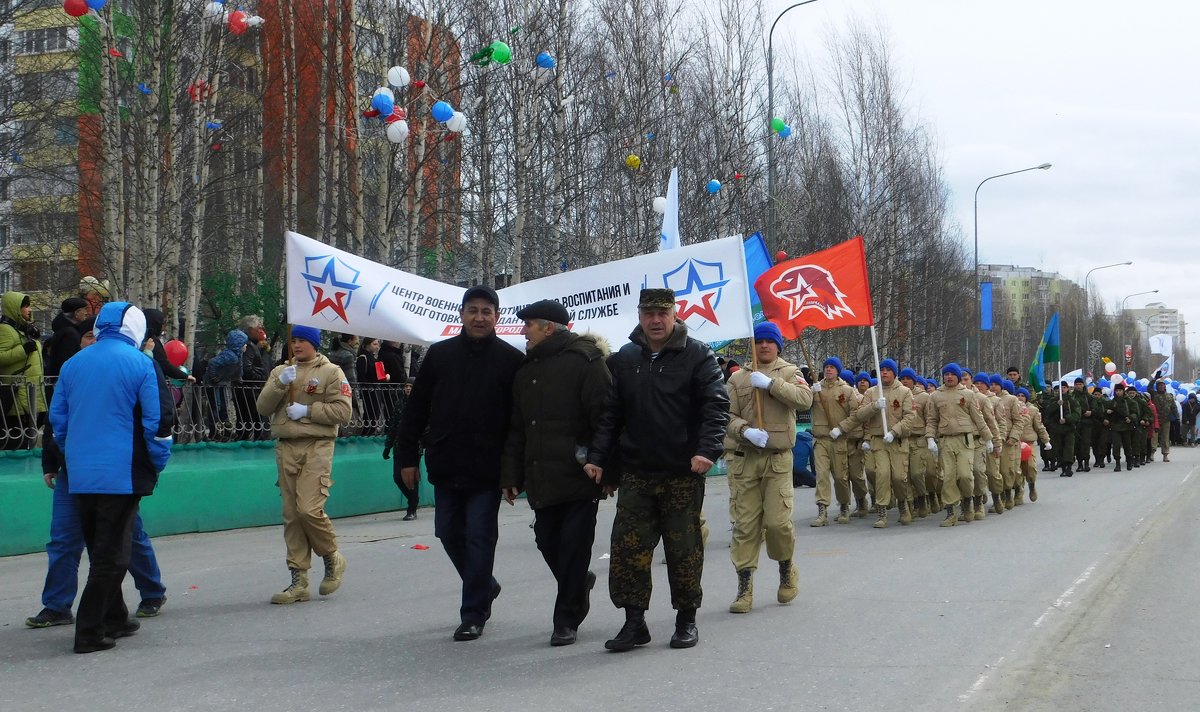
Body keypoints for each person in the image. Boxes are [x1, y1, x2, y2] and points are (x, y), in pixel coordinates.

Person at [587, 288, 729, 652]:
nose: (655, 320)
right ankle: (634, 622)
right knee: (627, 548)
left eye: (662, 313)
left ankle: (686, 619)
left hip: (681, 471)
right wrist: (598, 457)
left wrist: (707, 450)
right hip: (637, 471)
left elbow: (716, 406)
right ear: (639, 315)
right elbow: (611, 414)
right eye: (648, 313)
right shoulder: (626, 357)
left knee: (683, 548)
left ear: (675, 314)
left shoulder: (697, 355)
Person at [394, 286, 523, 641]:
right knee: (448, 533)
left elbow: (518, 424)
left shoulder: (511, 360)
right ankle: (486, 584)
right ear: (462, 315)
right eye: (473, 311)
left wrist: (514, 472)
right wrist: (407, 457)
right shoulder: (440, 355)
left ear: (497, 317)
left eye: (486, 312)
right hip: (446, 462)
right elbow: (416, 410)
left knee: (480, 536)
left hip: (488, 469)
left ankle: (473, 614)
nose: (479, 318)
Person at [27, 317, 169, 629]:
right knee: (66, 540)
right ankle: (58, 605)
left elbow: (158, 418)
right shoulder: (76, 368)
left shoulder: (136, 366)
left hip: (116, 472)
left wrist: (152, 463)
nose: (92, 341)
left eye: (96, 335)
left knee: (125, 540)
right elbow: (57, 419)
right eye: (88, 336)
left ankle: (151, 592)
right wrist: (52, 462)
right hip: (73, 471)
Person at [500, 299, 613, 646]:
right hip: (540, 476)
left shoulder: (586, 362)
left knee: (575, 547)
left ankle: (565, 620)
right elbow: (517, 428)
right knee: (547, 541)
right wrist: (511, 476)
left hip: (580, 475)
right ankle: (579, 583)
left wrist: (604, 464)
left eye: (529, 324)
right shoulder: (525, 370)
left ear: (549, 328)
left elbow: (606, 418)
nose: (523, 331)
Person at [255, 325, 353, 604]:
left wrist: (308, 411)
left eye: (302, 341)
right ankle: (299, 579)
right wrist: (279, 384)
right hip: (286, 447)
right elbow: (262, 408)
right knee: (292, 516)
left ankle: (332, 556)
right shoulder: (280, 371)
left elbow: (343, 411)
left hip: (317, 445)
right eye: (293, 340)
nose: (296, 345)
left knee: (309, 509)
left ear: (314, 343)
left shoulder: (331, 372)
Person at [722, 321, 811, 614]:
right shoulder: (738, 379)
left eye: (769, 341)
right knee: (745, 526)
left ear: (777, 345)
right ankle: (744, 587)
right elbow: (726, 415)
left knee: (776, 523)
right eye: (758, 341)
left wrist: (771, 384)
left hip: (777, 458)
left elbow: (804, 399)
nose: (763, 346)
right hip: (746, 458)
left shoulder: (790, 372)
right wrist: (744, 430)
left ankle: (786, 569)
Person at [838, 358, 920, 528]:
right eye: (881, 370)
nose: (884, 373)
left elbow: (910, 417)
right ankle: (882, 512)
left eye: (887, 370)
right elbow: (860, 415)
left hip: (897, 440)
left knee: (898, 477)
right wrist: (874, 406)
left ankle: (904, 504)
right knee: (882, 475)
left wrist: (894, 431)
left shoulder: (905, 392)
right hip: (878, 440)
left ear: (894, 373)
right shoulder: (872, 392)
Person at [925, 363, 988, 527]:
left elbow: (978, 418)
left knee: (965, 476)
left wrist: (989, 439)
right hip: (946, 440)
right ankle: (951, 512)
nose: (949, 377)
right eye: (946, 374)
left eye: (952, 374)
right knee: (949, 478)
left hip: (965, 441)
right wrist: (930, 438)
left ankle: (968, 500)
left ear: (958, 377)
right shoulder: (936, 396)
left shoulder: (968, 394)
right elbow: (932, 420)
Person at [810, 357, 864, 526]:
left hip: (839, 439)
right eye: (826, 367)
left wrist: (841, 428)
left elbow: (855, 415)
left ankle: (844, 506)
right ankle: (822, 510)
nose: (828, 370)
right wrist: (810, 392)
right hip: (821, 439)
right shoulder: (816, 389)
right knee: (821, 475)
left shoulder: (847, 391)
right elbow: (801, 405)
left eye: (832, 367)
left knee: (841, 477)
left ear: (838, 370)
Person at [0, 291, 46, 450]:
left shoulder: (24, 330)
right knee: (15, 441)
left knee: (28, 439)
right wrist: (23, 350)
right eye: (25, 306)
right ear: (14, 308)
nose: (29, 309)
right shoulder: (6, 330)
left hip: (32, 391)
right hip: (17, 394)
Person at [382, 377, 419, 519]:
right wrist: (388, 445)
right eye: (406, 386)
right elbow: (393, 426)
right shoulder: (399, 404)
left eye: (410, 386)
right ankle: (412, 499)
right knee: (398, 477)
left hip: (414, 446)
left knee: (411, 477)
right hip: (399, 445)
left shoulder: (420, 405)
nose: (408, 389)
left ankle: (412, 509)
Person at [142, 309, 195, 384]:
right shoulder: (152, 341)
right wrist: (185, 376)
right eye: (162, 323)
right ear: (157, 323)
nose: (163, 327)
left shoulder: (137, 338)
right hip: (152, 382)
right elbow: (164, 364)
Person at [44, 297, 90, 379]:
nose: (87, 313)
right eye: (84, 310)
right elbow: (69, 363)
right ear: (76, 313)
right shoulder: (69, 334)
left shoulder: (64, 329)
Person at [1041, 381, 1081, 477]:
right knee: (1059, 449)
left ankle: (1068, 467)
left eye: (1064, 387)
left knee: (1069, 448)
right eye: (1060, 388)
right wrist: (1057, 404)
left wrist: (1067, 419)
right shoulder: (1053, 400)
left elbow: (1077, 414)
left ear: (1067, 389)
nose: (1062, 389)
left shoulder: (1073, 401)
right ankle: (1062, 467)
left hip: (1069, 429)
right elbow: (1048, 412)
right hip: (1056, 429)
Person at [356, 337, 389, 433]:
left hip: (376, 390)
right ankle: (366, 434)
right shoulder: (363, 358)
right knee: (370, 415)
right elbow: (361, 376)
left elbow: (378, 376)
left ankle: (369, 433)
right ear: (366, 345)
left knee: (375, 415)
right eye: (374, 344)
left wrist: (385, 377)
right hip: (369, 392)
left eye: (377, 344)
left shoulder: (374, 358)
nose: (377, 347)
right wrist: (369, 388)